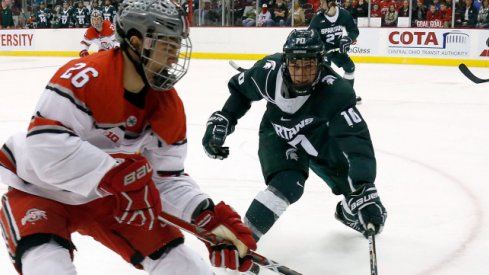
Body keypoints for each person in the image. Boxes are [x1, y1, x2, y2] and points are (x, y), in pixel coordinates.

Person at [0, 0, 256, 274]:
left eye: (177, 47)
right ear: (136, 42)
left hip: (113, 199)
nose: (173, 58)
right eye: (167, 46)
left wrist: (206, 216)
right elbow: (45, 145)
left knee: (186, 267)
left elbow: (165, 178)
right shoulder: (85, 77)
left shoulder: (168, 106)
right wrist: (113, 172)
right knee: (48, 268)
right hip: (39, 191)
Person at [202, 29, 387, 247]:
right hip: (277, 133)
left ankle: (346, 212)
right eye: (296, 65)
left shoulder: (335, 92)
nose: (301, 74)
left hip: (320, 139)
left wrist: (365, 187)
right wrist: (225, 117)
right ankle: (241, 241)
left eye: (308, 66)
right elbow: (241, 92)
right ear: (285, 62)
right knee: (288, 184)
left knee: (371, 212)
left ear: (321, 63)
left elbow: (356, 140)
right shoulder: (267, 72)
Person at [308, 0, 360, 102]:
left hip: (337, 48)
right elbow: (311, 35)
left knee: (350, 68)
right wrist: (318, 48)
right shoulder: (318, 17)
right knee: (325, 74)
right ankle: (322, 98)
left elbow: (353, 30)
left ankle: (347, 95)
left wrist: (348, 39)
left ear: (331, 3)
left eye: (323, 2)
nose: (320, 5)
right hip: (323, 51)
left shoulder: (344, 14)